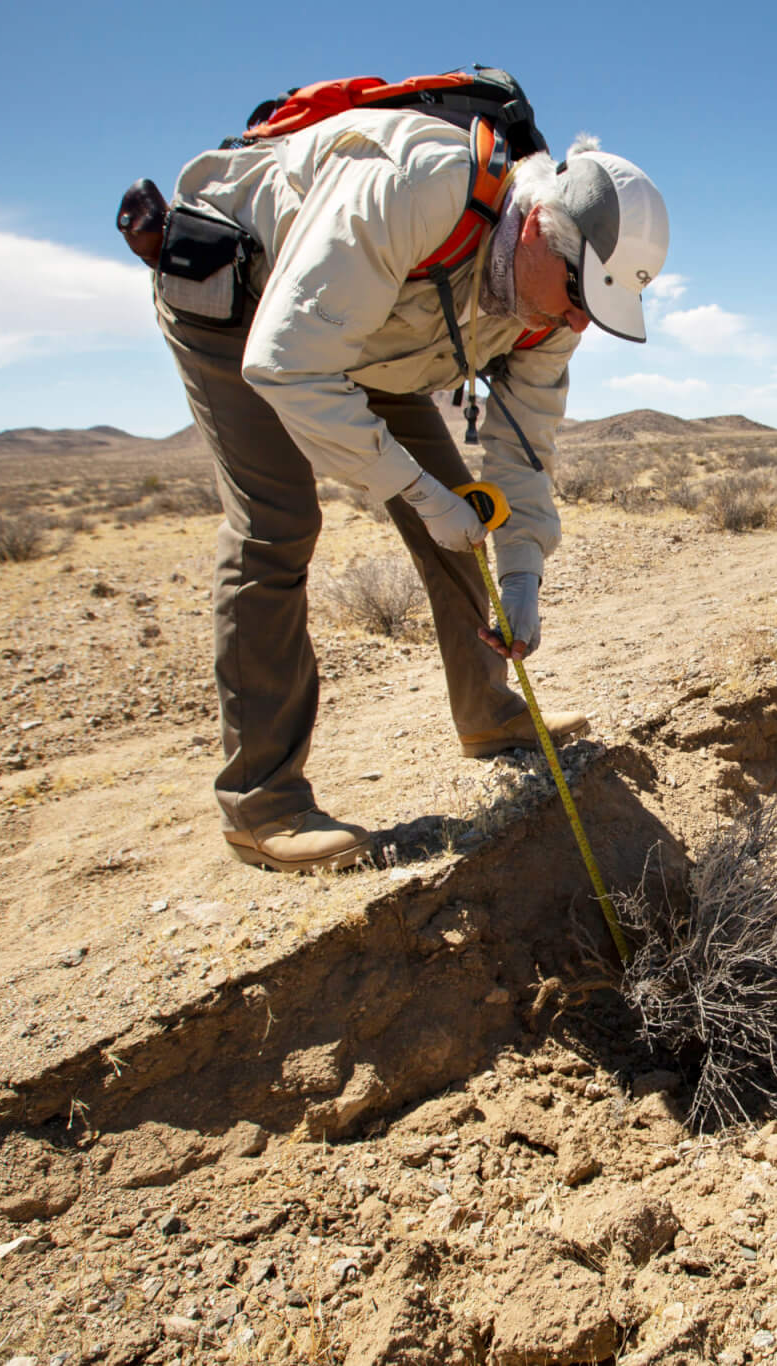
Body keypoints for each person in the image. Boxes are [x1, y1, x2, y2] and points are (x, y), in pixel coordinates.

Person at [153, 108, 669, 873]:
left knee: (463, 507)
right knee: (277, 524)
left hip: (377, 337)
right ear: (538, 230)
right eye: (576, 295)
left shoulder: (554, 307)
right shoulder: (414, 187)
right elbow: (289, 364)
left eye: (593, 308)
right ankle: (261, 804)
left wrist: (521, 571)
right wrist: (417, 492)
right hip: (245, 306)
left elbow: (523, 448)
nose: (576, 322)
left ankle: (489, 713)